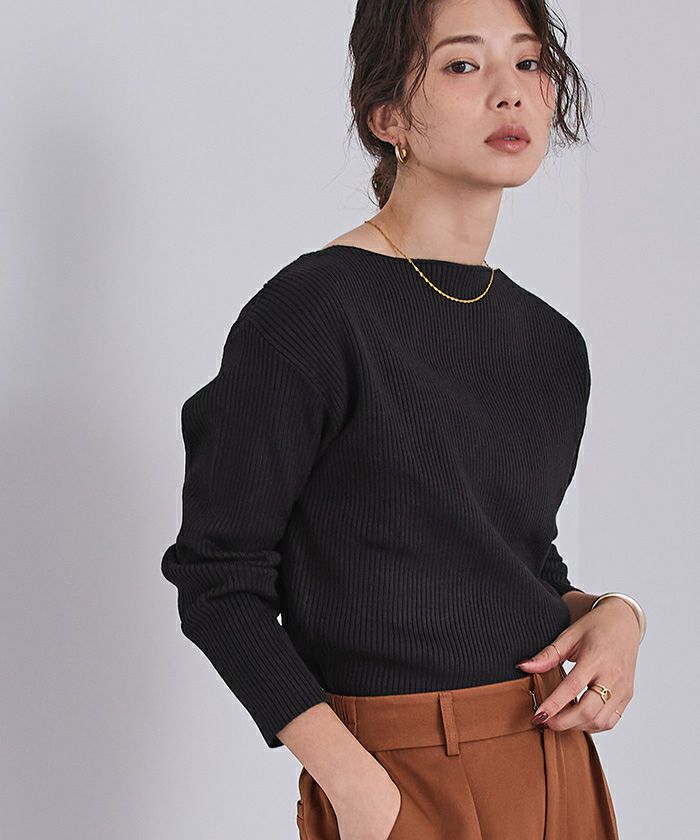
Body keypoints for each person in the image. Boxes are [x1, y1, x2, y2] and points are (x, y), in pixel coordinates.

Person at [161, 0, 646, 837]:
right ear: (387, 117)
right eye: (462, 64)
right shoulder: (312, 315)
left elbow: (508, 558)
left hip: (555, 761)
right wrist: (354, 783)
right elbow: (218, 577)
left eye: (529, 61)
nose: (510, 91)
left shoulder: (551, 344)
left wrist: (614, 613)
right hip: (397, 775)